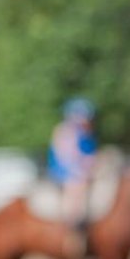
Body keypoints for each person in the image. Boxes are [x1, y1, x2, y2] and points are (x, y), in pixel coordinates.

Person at [47, 96, 98, 226]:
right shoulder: (64, 131)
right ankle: (73, 224)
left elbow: (90, 156)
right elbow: (66, 157)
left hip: (83, 170)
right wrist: (80, 171)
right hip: (65, 172)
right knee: (77, 186)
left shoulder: (87, 133)